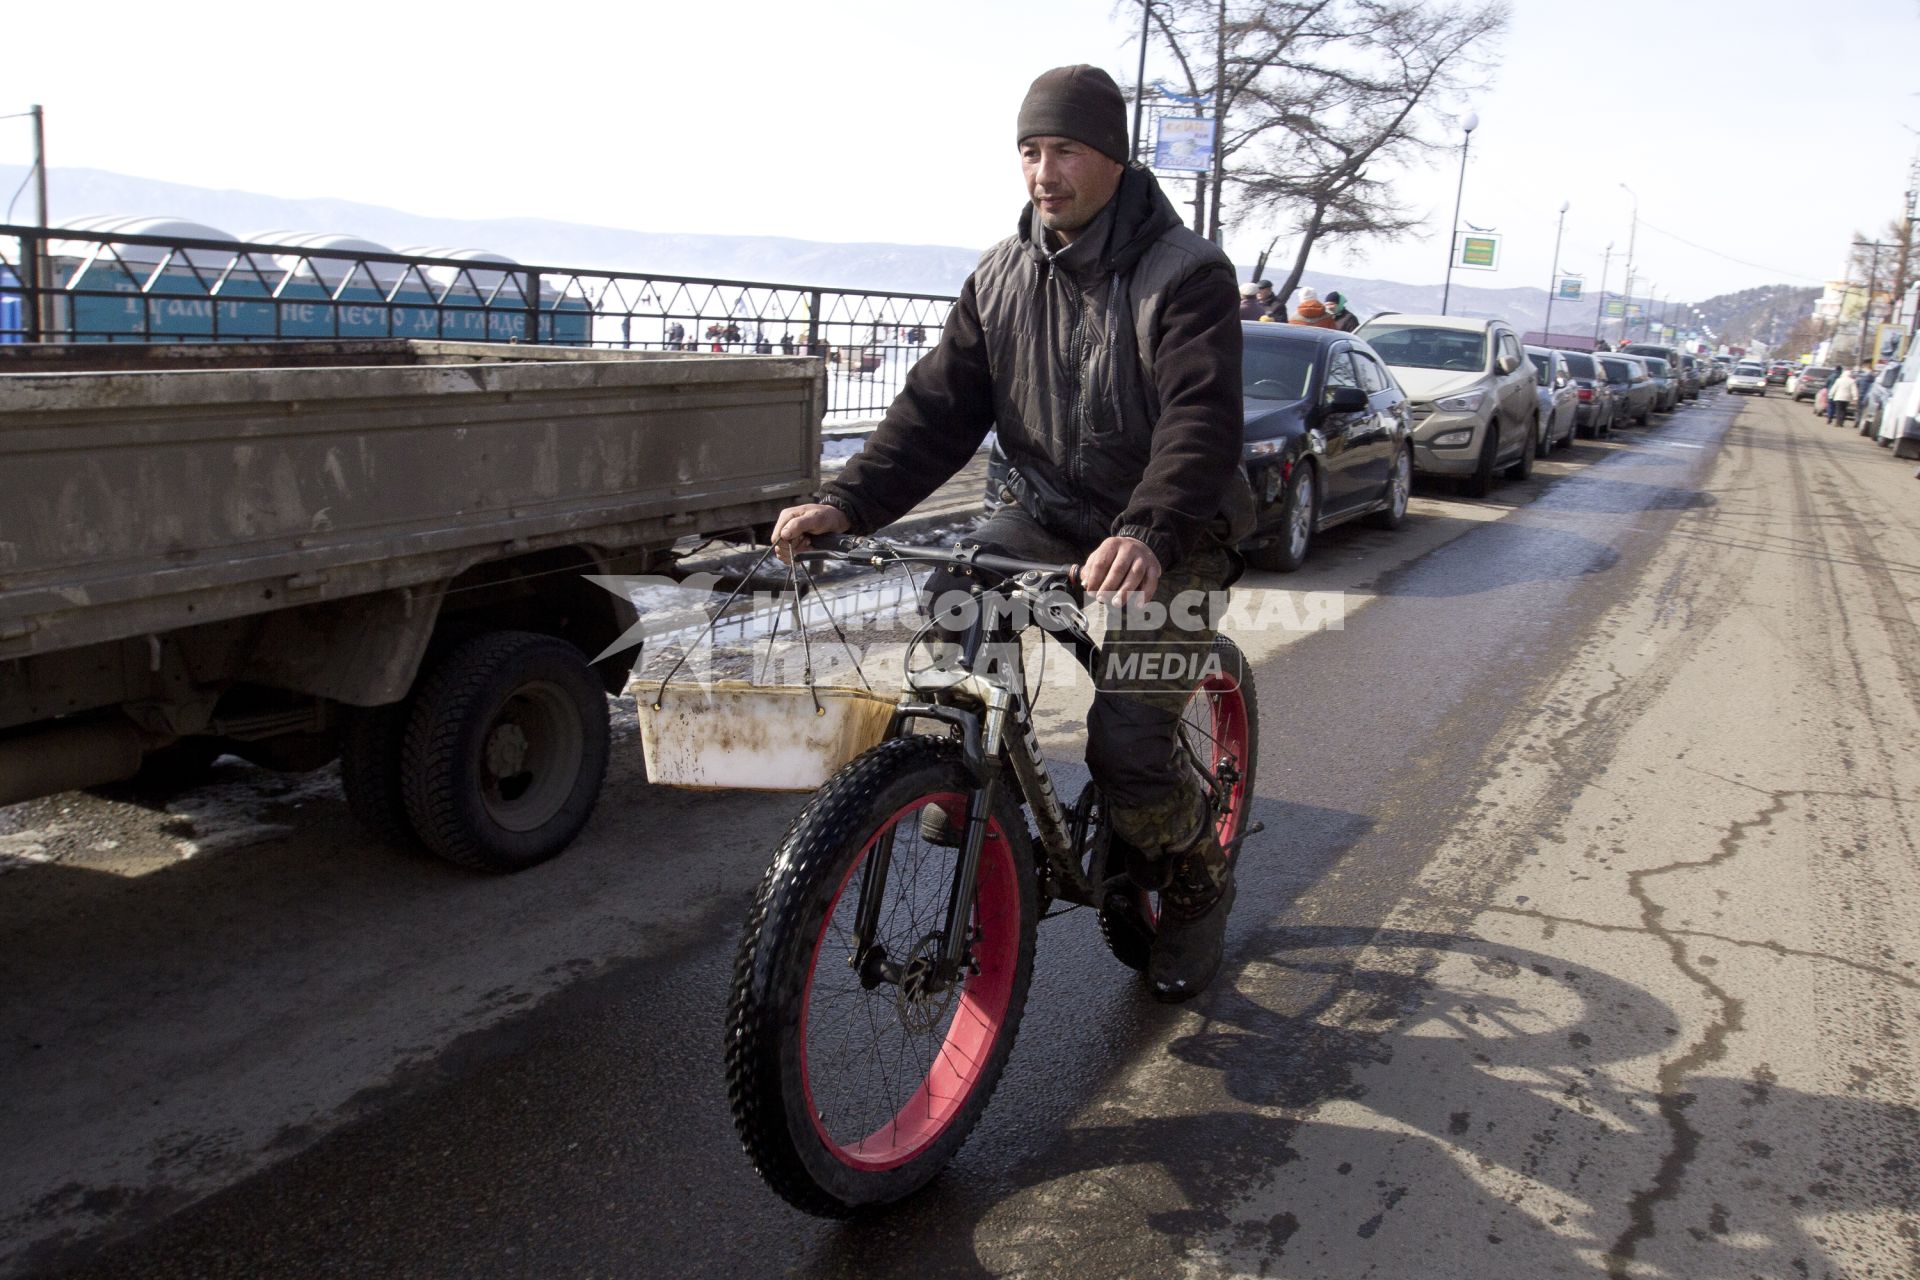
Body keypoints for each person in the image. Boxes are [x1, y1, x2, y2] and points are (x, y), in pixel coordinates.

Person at [770, 64, 1249, 1001]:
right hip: (1050, 513)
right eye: (1029, 151)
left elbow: (1201, 421)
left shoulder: (1187, 275)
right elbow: (935, 412)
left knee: (1130, 747)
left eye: (1064, 149)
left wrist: (1149, 528)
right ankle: (971, 782)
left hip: (1176, 533)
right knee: (954, 590)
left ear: (1112, 156)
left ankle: (1198, 886)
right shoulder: (999, 274)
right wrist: (851, 501)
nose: (1043, 170)